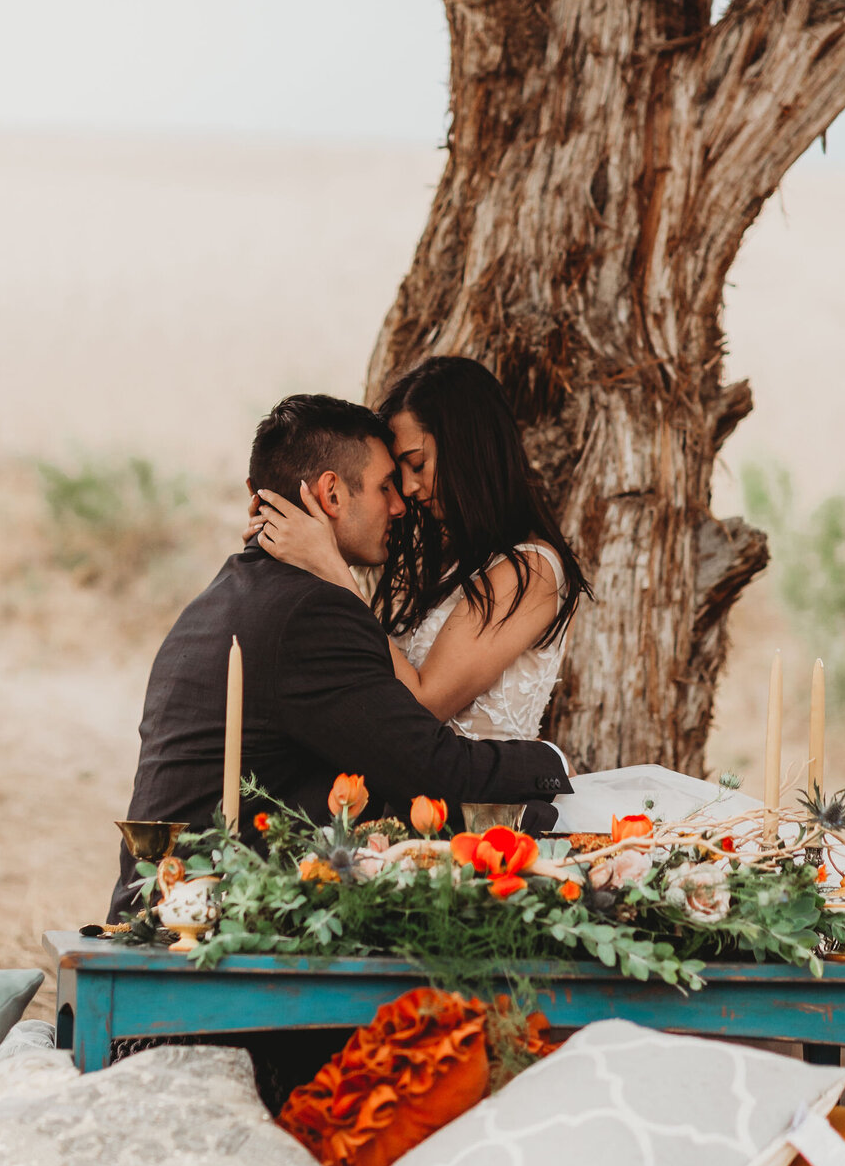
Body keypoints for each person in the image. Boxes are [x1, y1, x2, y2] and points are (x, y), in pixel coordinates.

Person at [107, 392, 572, 923]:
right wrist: (549, 763)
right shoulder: (310, 612)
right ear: (331, 493)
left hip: (167, 894)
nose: (400, 505)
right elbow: (435, 773)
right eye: (384, 486)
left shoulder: (225, 595)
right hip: (208, 915)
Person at [249, 356, 590, 743]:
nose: (408, 489)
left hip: (488, 801)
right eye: (396, 475)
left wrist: (331, 569)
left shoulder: (532, 571)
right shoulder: (443, 559)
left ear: (469, 448)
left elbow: (424, 705)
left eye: (417, 464)